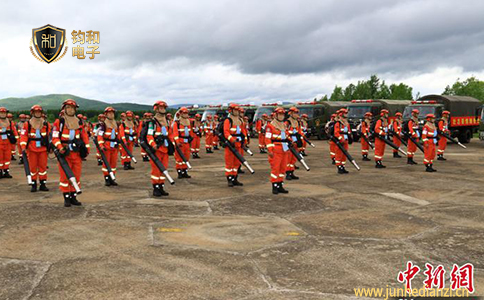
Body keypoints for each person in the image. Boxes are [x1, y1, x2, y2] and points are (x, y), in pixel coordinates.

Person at [51, 99, 90, 207]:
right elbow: (54, 137)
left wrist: (87, 148)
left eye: (73, 108)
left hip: (76, 153)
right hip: (65, 153)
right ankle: (66, 198)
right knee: (65, 176)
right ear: (64, 109)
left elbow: (84, 136)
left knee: (76, 175)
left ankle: (74, 196)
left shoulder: (79, 121)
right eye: (68, 107)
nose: (71, 110)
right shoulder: (59, 122)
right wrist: (60, 147)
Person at [20, 105, 51, 192]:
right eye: (36, 112)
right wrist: (23, 146)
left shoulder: (46, 124)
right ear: (32, 113)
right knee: (32, 167)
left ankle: (43, 184)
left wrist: (51, 147)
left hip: (43, 149)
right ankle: (33, 184)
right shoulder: (27, 124)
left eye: (39, 112)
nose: (37, 113)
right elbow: (23, 136)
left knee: (43, 167)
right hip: (32, 149)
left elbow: (50, 136)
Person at [146, 101, 172, 196]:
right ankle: (155, 188)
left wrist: (172, 145)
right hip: (157, 149)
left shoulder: (167, 121)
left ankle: (161, 186)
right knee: (156, 169)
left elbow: (170, 134)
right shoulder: (152, 122)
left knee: (164, 169)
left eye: (164, 108)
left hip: (165, 149)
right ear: (156, 109)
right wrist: (153, 145)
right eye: (161, 108)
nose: (163, 109)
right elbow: (149, 136)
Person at [265, 107, 289, 194]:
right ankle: (274, 186)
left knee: (283, 168)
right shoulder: (270, 126)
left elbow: (286, 136)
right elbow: (267, 139)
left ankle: (280, 184)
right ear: (275, 115)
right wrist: (270, 150)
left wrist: (291, 141)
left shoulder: (284, 125)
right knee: (275, 169)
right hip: (276, 150)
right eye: (280, 114)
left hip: (284, 149)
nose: (281, 116)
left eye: (283, 115)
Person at [97, 107, 123, 186]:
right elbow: (100, 136)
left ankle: (112, 178)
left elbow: (118, 134)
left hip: (114, 147)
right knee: (106, 164)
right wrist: (101, 145)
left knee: (113, 164)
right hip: (106, 147)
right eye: (109, 113)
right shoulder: (103, 125)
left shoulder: (116, 124)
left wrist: (119, 143)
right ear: (106, 114)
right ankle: (107, 178)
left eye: (112, 113)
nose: (111, 114)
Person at [223, 104, 244, 187]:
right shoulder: (228, 120)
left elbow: (242, 132)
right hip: (231, 145)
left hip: (239, 144)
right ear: (231, 111)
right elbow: (226, 132)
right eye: (235, 110)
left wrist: (244, 141)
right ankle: (229, 179)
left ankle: (235, 178)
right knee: (229, 163)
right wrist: (232, 140)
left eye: (237, 110)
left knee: (237, 163)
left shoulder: (240, 120)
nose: (237, 112)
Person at [172, 107, 193, 179]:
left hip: (187, 143)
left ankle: (184, 171)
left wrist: (191, 138)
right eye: (184, 113)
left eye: (187, 113)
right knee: (179, 159)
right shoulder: (177, 123)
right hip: (180, 143)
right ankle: (179, 172)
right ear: (181, 113)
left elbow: (190, 132)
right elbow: (175, 134)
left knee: (186, 157)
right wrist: (177, 142)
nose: (186, 114)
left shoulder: (188, 122)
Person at [285, 107, 303, 180]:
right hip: (290, 143)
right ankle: (288, 173)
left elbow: (299, 131)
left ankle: (292, 172)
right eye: (295, 113)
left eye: (296, 113)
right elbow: (284, 132)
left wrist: (299, 139)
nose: (296, 114)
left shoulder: (297, 122)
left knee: (293, 159)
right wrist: (289, 140)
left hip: (295, 142)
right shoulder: (287, 122)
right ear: (291, 113)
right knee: (288, 159)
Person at [0, 107, 18, 178]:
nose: (3, 114)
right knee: (0, 158)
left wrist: (16, 140)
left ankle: (6, 171)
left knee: (7, 158)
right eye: (1, 113)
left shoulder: (10, 123)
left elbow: (14, 131)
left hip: (8, 143)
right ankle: (0, 171)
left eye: (4, 113)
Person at [334, 109, 351, 174]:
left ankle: (343, 166)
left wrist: (350, 137)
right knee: (339, 154)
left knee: (344, 154)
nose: (346, 114)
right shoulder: (338, 123)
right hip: (340, 141)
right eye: (345, 113)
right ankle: (339, 167)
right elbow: (336, 133)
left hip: (345, 141)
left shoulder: (346, 123)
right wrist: (341, 139)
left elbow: (348, 131)